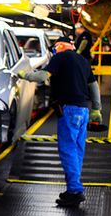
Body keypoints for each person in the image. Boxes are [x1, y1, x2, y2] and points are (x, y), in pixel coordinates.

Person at [21, 37, 102, 207]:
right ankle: (73, 188)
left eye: (55, 47)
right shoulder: (82, 60)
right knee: (77, 151)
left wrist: (25, 75)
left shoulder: (59, 57)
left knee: (68, 150)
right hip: (83, 111)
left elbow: (42, 76)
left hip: (69, 110)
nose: (54, 50)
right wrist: (96, 110)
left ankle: (75, 191)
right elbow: (94, 86)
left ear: (60, 46)